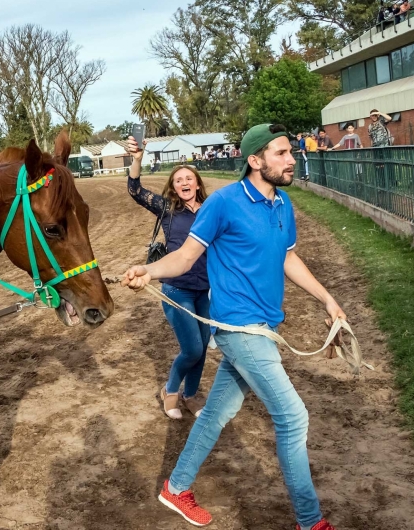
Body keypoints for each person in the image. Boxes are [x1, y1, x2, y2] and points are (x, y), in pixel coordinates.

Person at [122, 123, 345, 530]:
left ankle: (176, 487)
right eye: (281, 153)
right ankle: (311, 522)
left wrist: (328, 299)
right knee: (293, 417)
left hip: (263, 326)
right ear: (255, 160)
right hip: (238, 328)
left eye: (291, 151)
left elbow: (288, 258)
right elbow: (186, 257)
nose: (292, 158)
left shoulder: (282, 205)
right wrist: (149, 271)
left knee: (216, 413)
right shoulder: (223, 203)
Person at [126, 137, 210, 420]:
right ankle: (171, 390)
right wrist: (137, 158)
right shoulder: (167, 209)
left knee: (203, 349)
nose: (184, 183)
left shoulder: (212, 209)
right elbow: (135, 190)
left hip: (206, 291)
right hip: (177, 290)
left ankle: (191, 395)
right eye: (178, 181)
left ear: (197, 183)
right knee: (193, 349)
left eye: (189, 178)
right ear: (173, 188)